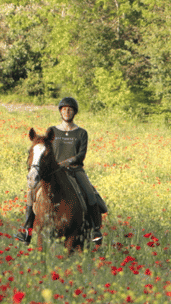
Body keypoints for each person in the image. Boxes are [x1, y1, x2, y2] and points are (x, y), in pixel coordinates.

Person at [18, 96, 107, 246]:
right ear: (60, 112)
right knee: (31, 191)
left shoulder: (81, 133)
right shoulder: (52, 130)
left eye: (70, 109)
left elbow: (81, 155)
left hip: (74, 169)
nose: (67, 112)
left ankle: (95, 230)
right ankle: (27, 229)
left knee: (90, 193)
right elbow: (46, 149)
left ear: (74, 112)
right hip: (53, 170)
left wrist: (67, 162)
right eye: (64, 109)